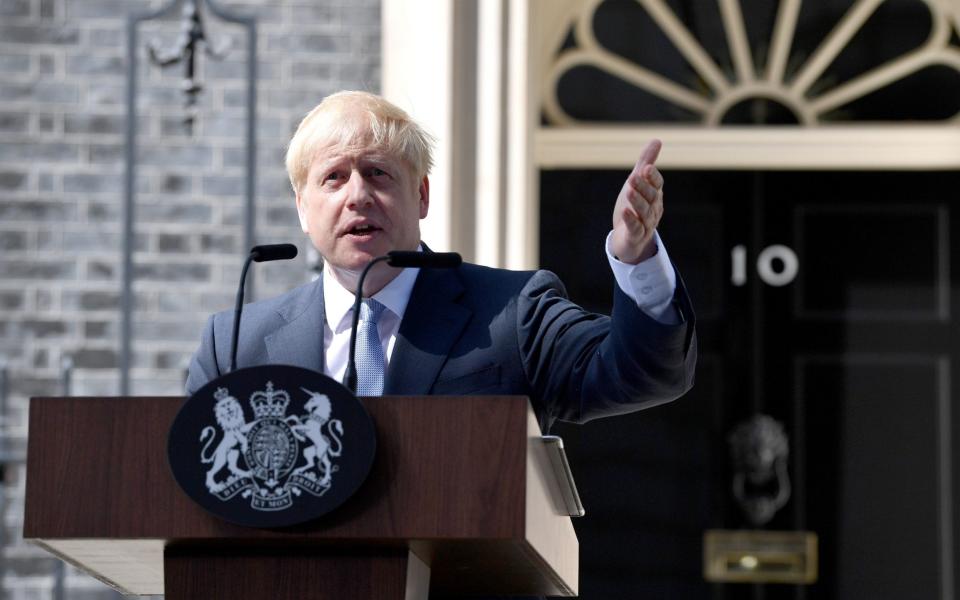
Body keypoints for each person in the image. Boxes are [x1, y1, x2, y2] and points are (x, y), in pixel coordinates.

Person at [186, 89, 696, 435]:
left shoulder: (513, 314)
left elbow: (644, 374)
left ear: (422, 195)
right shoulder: (237, 345)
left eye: (378, 173)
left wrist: (637, 257)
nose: (357, 196)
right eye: (334, 178)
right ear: (302, 207)